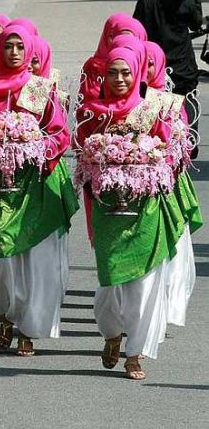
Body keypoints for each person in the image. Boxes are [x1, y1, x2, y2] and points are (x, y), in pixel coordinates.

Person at [75, 45, 202, 379]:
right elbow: (80, 154)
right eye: (113, 72)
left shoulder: (155, 109)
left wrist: (149, 161)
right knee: (108, 285)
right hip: (107, 210)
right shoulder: (93, 112)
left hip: (145, 208)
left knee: (143, 285)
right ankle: (112, 334)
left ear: (137, 75)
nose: (119, 79)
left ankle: (135, 354)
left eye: (126, 72)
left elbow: (172, 153)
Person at [0, 25, 79, 356]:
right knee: (4, 260)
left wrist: (31, 146)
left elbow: (59, 134)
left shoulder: (39, 89)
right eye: (8, 46)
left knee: (34, 259)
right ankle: (7, 315)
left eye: (20, 47)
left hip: (35, 184)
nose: (14, 52)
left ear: (29, 52)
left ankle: (28, 330)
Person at [133, 0, 203, 158]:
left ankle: (153, 142)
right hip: (182, 63)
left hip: (154, 63)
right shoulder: (186, 0)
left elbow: (137, 29)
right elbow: (196, 23)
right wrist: (197, 0)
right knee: (187, 98)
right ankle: (189, 140)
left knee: (153, 101)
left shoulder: (147, 1)